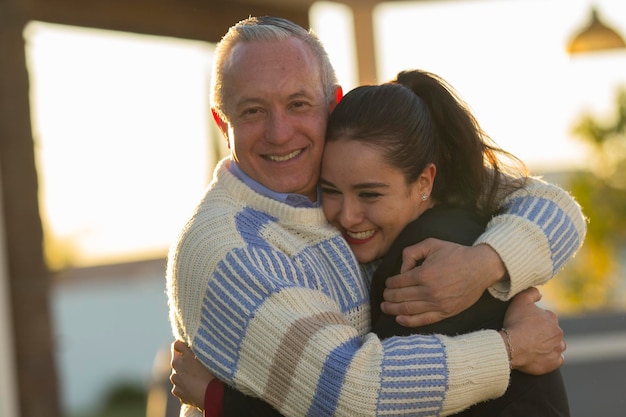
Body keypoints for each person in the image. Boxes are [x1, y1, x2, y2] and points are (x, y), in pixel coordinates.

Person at [166, 15, 584, 417]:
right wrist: (512, 348)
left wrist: (486, 263)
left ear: (332, 104)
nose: (280, 131)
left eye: (298, 103)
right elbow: (355, 394)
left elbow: (556, 208)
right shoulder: (226, 247)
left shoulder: (379, 195)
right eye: (253, 111)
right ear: (224, 123)